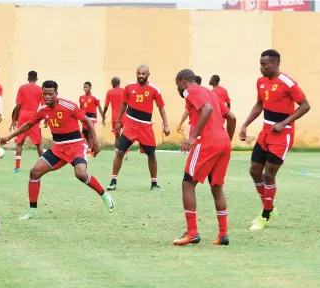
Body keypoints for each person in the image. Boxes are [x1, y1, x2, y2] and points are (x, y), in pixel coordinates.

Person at [0, 80, 115, 219]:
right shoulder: (42, 110)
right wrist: (8, 137)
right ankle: (32, 212)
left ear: (56, 94)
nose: (47, 97)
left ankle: (104, 195)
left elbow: (88, 121)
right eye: (45, 94)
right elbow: (28, 124)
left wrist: (95, 143)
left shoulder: (68, 106)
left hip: (76, 145)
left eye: (50, 94)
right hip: (58, 148)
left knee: (80, 174)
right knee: (34, 172)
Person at [239, 49, 310, 230]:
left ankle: (265, 215)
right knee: (255, 170)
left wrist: (284, 122)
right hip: (265, 132)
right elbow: (260, 105)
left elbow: (305, 105)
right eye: (260, 64)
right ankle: (270, 208)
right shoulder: (261, 82)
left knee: (269, 175)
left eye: (264, 64)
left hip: (282, 134)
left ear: (275, 64)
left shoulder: (288, 83)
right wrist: (245, 124)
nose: (261, 68)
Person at [173, 69, 236, 246]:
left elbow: (206, 109)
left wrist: (193, 136)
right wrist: (227, 141)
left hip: (206, 142)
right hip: (223, 141)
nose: (178, 89)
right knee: (216, 186)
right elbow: (231, 117)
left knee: (188, 182)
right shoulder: (211, 93)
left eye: (177, 85)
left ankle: (192, 232)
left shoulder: (189, 90)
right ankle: (223, 233)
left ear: (183, 81)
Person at [107, 65, 170, 191]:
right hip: (130, 125)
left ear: (148, 74)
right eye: (139, 73)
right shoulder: (129, 87)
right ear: (136, 73)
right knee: (120, 152)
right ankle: (113, 181)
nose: (141, 76)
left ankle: (154, 183)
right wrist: (118, 121)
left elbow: (161, 107)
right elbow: (123, 104)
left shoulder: (154, 89)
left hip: (146, 127)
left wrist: (166, 124)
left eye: (144, 73)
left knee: (151, 154)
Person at [10, 71, 44, 173]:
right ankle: (44, 166)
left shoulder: (22, 88)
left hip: (23, 117)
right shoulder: (40, 90)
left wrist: (14, 120)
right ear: (36, 79)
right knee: (38, 143)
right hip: (34, 118)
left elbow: (18, 106)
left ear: (28, 78)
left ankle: (17, 168)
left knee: (19, 143)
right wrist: (45, 119)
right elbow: (43, 106)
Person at [102, 77, 129, 160]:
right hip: (124, 116)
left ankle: (117, 152)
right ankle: (124, 153)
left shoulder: (109, 92)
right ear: (119, 83)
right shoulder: (124, 91)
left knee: (117, 136)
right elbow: (128, 103)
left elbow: (106, 106)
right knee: (125, 136)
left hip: (115, 117)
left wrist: (103, 115)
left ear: (112, 83)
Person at [79, 81, 105, 155]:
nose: (85, 88)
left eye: (86, 87)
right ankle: (86, 148)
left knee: (90, 134)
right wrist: (80, 117)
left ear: (90, 88)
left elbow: (99, 108)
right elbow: (80, 109)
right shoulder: (81, 98)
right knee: (84, 134)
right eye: (84, 87)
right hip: (84, 117)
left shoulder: (95, 97)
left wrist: (103, 117)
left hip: (92, 117)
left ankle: (90, 150)